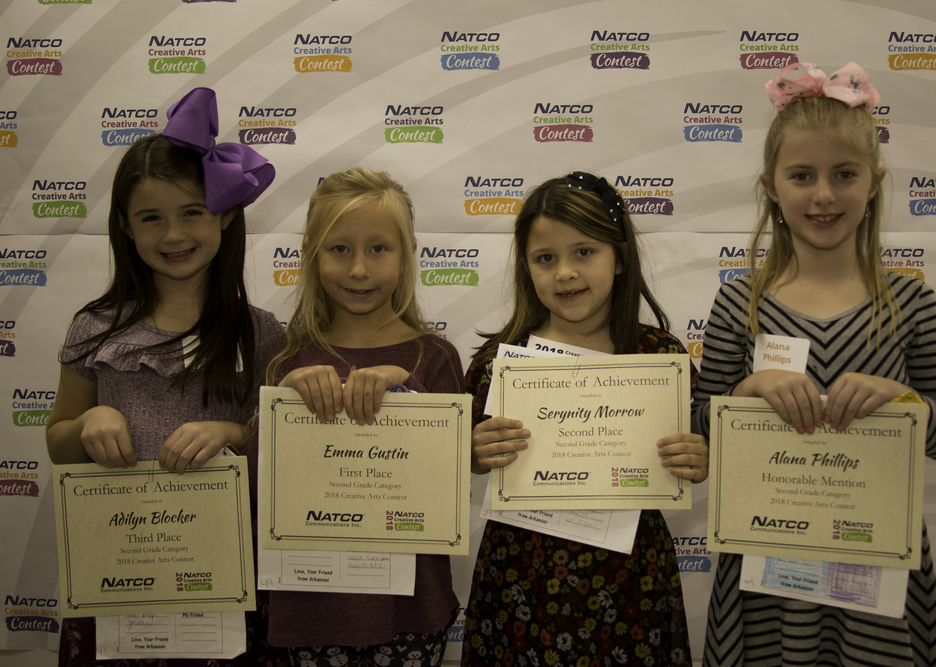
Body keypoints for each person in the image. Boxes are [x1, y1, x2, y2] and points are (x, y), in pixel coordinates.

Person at [693, 63, 936, 665]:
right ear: (771, 185)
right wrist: (745, 389)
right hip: (764, 573)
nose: (823, 194)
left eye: (844, 174)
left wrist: (905, 401)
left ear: (874, 182)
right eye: (802, 176)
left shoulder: (911, 301)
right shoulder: (739, 301)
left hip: (877, 575)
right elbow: (696, 433)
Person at [45, 88, 286, 666]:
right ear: (125, 228)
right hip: (116, 575)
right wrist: (88, 423)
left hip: (220, 577)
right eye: (151, 218)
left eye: (192, 213)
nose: (173, 235)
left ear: (225, 216)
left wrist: (232, 434)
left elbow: (279, 447)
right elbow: (57, 442)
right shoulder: (94, 327)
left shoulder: (262, 333)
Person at [461, 172, 709, 667]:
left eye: (584, 252)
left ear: (619, 258)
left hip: (632, 579)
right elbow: (459, 459)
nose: (565, 273)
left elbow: (693, 456)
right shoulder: (499, 361)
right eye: (545, 258)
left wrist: (698, 457)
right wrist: (472, 452)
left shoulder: (661, 356)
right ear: (527, 269)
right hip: (519, 579)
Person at [243, 166, 463, 666]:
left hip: (410, 609)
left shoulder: (434, 356)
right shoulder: (287, 357)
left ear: (406, 257)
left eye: (378, 249)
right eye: (339, 249)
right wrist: (283, 401)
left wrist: (409, 391)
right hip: (306, 608)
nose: (359, 269)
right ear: (312, 257)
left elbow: (449, 481)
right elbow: (257, 487)